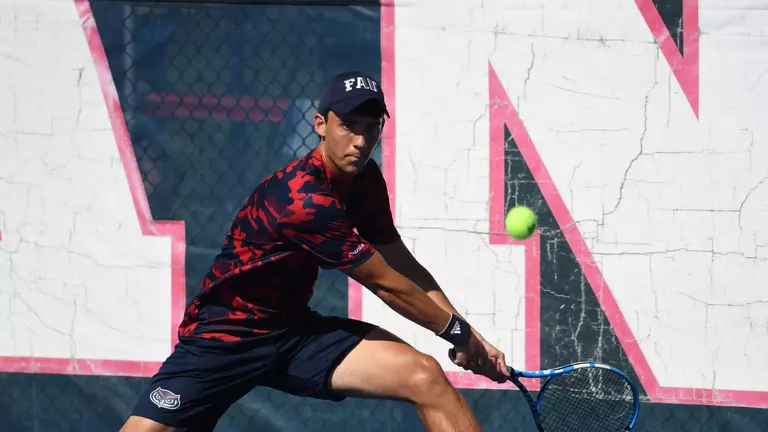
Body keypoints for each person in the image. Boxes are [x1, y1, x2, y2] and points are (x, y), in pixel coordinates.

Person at [122, 71, 510, 432]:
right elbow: (388, 285)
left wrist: (471, 336)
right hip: (226, 338)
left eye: (371, 128)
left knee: (424, 377)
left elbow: (401, 263)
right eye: (348, 126)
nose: (360, 141)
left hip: (293, 334)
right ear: (320, 125)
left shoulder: (365, 178)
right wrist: (459, 334)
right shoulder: (303, 199)